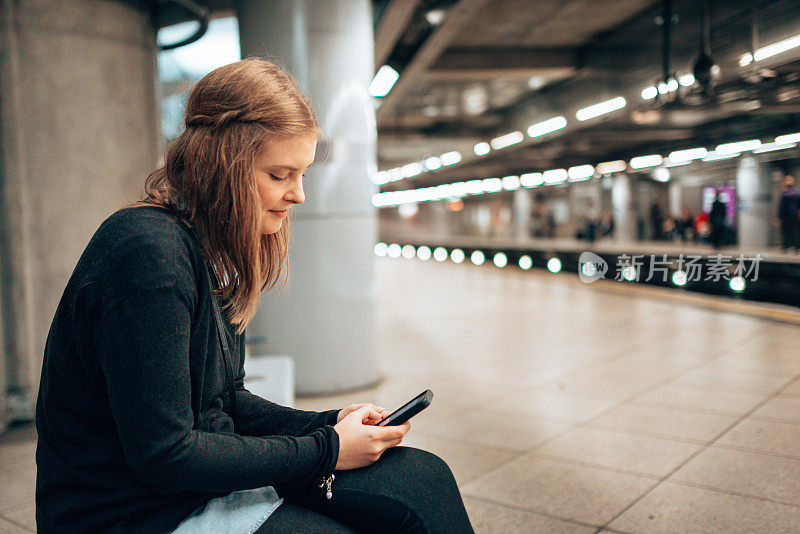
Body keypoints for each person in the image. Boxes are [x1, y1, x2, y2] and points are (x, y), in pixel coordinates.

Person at [35, 59, 474, 534]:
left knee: (425, 478)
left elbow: (227, 404)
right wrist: (326, 448)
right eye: (280, 175)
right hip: (130, 512)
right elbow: (165, 455)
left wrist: (329, 424)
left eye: (301, 174)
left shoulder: (208, 247)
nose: (298, 196)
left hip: (189, 488)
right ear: (221, 167)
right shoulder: (149, 256)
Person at [776, 175, 800, 252]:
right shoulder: (796, 192)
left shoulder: (785, 193)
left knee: (785, 231)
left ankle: (785, 246)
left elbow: (782, 206)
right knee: (795, 230)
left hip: (786, 215)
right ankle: (796, 247)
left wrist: (778, 217)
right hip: (795, 215)